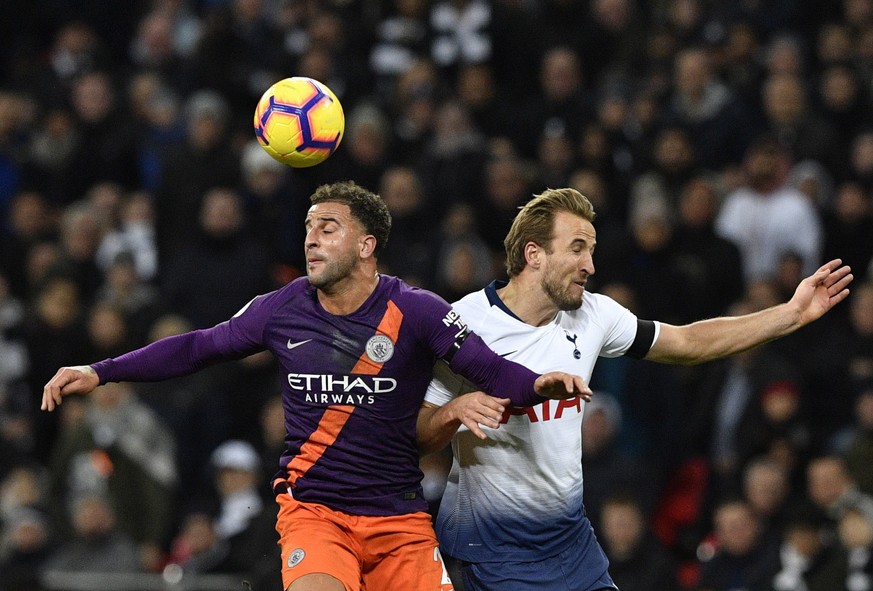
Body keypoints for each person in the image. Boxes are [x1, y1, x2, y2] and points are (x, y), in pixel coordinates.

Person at [40, 180, 589, 591]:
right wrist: (101, 370)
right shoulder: (283, 308)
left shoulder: (417, 311)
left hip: (398, 517)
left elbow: (493, 371)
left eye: (328, 228)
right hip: (314, 511)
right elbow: (198, 347)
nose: (312, 240)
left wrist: (543, 383)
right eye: (308, 228)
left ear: (367, 245)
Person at [416, 187, 853, 591]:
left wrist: (790, 315)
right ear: (534, 254)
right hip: (495, 550)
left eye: (592, 250)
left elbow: (688, 343)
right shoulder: (463, 324)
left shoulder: (593, 314)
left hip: (571, 543)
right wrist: (455, 411)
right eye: (577, 249)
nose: (591, 265)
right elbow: (418, 435)